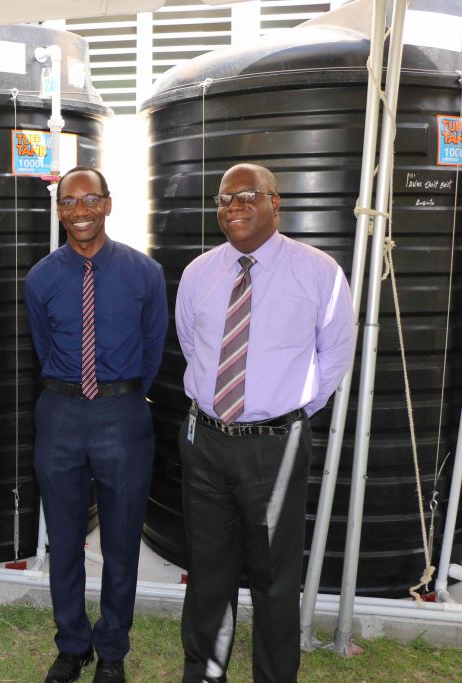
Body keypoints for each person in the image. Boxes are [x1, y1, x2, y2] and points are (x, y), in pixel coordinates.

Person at [176, 163, 355, 683]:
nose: (233, 206)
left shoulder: (320, 273)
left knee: (275, 579)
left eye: (247, 195)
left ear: (277, 202)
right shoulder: (198, 273)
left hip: (275, 447)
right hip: (205, 441)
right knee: (208, 572)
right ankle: (205, 673)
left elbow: (334, 358)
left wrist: (283, 413)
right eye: (225, 198)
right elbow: (193, 347)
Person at [25, 167, 168, 683]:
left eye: (90, 200)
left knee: (122, 538)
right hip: (59, 412)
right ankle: (71, 645)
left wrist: (120, 392)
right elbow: (43, 347)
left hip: (123, 413)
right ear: (59, 209)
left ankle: (111, 650)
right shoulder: (40, 277)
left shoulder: (144, 273)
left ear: (108, 204)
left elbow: (154, 348)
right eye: (69, 202)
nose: (80, 210)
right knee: (63, 538)